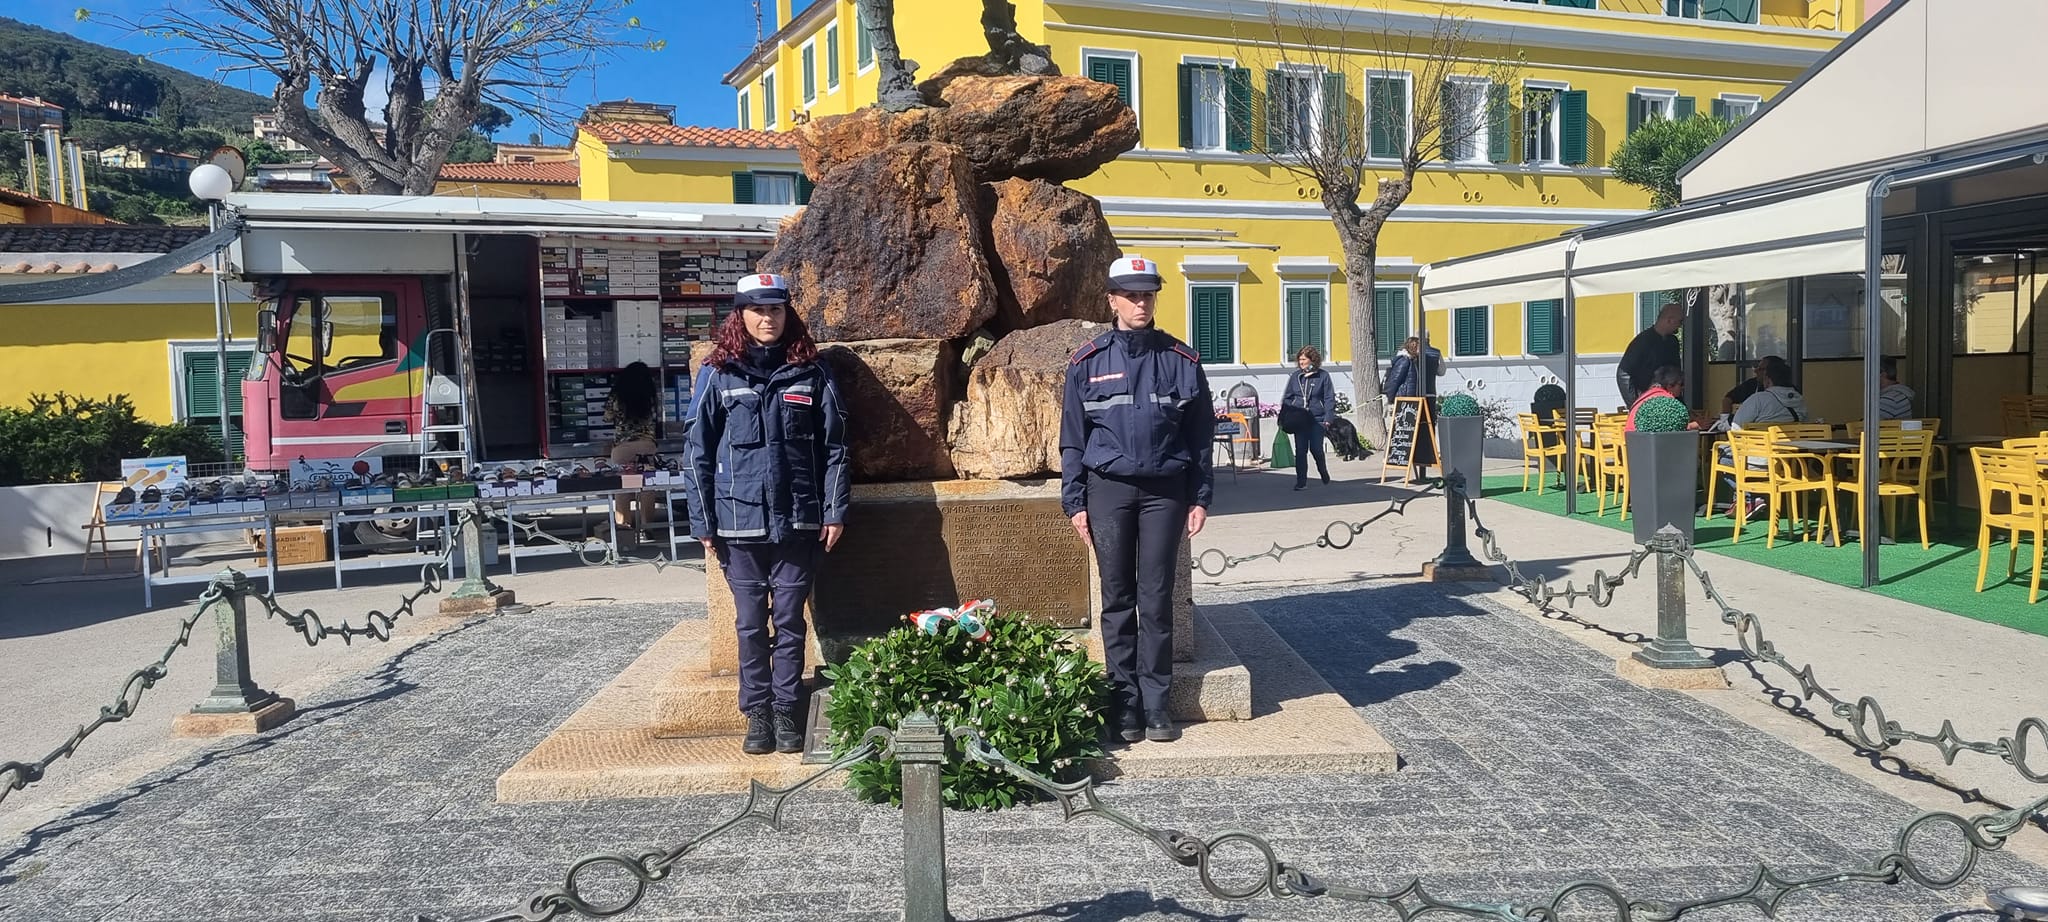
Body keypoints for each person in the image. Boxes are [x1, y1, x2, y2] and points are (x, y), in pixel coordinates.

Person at [684, 273, 850, 757]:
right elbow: (696, 450)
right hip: (739, 523)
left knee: (792, 621)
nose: (767, 318)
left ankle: (786, 709)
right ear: (741, 315)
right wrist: (702, 522)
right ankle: (756, 713)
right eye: (757, 310)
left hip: (799, 520)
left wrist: (835, 510)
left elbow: (835, 446)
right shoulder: (719, 374)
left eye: (775, 309)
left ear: (787, 313)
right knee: (751, 623)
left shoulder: (811, 373)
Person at [1061, 255, 1214, 745]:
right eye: (1130, 294)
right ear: (1112, 300)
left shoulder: (1182, 361)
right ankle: (1123, 703)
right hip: (1109, 490)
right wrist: (1075, 501)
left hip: (1165, 492)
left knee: (1156, 598)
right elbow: (1071, 440)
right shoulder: (1087, 363)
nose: (1140, 302)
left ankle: (1156, 704)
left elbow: (1201, 438)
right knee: (1118, 598)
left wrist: (1200, 497)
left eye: (1147, 294)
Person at [1712, 355, 1808, 517]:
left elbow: (1735, 428)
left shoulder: (1759, 399)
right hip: (1787, 461)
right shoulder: (1800, 400)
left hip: (1758, 459)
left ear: (1768, 379)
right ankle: (1750, 499)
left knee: (1724, 455)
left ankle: (1750, 498)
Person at [605, 361, 660, 531]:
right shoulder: (650, 396)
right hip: (647, 445)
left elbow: (607, 417)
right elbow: (656, 417)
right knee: (647, 486)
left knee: (622, 487)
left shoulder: (617, 396)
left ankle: (624, 527)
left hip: (622, 446)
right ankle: (646, 526)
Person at [1382, 336, 1441, 483]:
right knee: (1399, 434)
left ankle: (1412, 464)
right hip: (1405, 402)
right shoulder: (1404, 361)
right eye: (1420, 347)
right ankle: (1391, 458)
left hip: (1411, 402)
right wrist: (1390, 400)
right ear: (1414, 347)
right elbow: (1394, 382)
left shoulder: (1412, 361)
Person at [1282, 345, 1335, 490]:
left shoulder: (1323, 376)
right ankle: (1301, 481)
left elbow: (1329, 398)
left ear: (1312, 360)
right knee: (1300, 451)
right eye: (1299, 360)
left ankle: (1323, 471)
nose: (1301, 362)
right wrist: (1286, 415)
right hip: (1300, 420)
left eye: (1304, 359)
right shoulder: (1295, 377)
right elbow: (1287, 398)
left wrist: (1328, 418)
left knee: (1316, 449)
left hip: (1317, 420)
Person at [1618, 304, 1684, 407]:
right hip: (1647, 401)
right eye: (1680, 321)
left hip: (1668, 402)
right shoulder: (1642, 341)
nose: (1680, 325)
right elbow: (1623, 373)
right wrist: (1635, 403)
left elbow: (1676, 374)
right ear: (1670, 320)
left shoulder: (1672, 342)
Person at [1627, 365, 1700, 433]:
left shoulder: (1650, 394)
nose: (1683, 387)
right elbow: (1669, 428)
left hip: (1632, 438)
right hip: (1645, 439)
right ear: (1670, 385)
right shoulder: (1666, 401)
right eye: (1681, 384)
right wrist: (1695, 425)